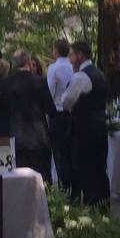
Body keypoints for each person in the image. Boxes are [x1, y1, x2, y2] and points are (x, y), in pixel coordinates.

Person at [62, 41, 110, 208]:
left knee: (87, 171)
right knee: (100, 170)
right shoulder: (99, 73)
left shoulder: (80, 77)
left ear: (80, 56)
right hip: (100, 127)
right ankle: (103, 207)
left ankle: (92, 209)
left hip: (84, 130)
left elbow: (66, 101)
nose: (69, 59)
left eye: (72, 55)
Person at [0, 50, 55, 182]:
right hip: (39, 136)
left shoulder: (7, 83)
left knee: (21, 180)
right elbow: (50, 109)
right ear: (29, 62)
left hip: (17, 136)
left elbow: (1, 106)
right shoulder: (39, 81)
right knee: (42, 179)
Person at [46, 39, 74, 191]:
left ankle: (64, 187)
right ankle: (74, 187)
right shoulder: (72, 67)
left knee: (59, 152)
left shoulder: (54, 68)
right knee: (70, 151)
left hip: (57, 113)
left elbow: (49, 91)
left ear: (56, 51)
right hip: (72, 114)